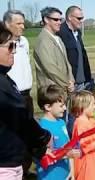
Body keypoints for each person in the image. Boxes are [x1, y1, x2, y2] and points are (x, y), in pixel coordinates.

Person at [0, 21, 51, 179]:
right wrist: (43, 139)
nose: (13, 51)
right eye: (10, 46)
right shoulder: (2, 85)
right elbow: (21, 116)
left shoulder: (5, 79)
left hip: (12, 159)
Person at [3, 10, 35, 177]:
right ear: (7, 24)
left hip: (26, 95)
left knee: (27, 136)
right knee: (15, 136)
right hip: (10, 97)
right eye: (18, 23)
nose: (23, 26)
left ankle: (25, 168)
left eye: (23, 23)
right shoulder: (4, 45)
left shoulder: (25, 42)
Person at [36, 85, 81, 180]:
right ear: (48, 107)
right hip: (50, 176)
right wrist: (66, 155)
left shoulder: (61, 122)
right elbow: (44, 156)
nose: (65, 108)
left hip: (65, 173)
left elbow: (69, 147)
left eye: (64, 104)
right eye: (61, 106)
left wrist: (72, 170)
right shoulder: (42, 128)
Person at [34, 7, 75, 92]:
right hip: (51, 92)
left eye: (61, 20)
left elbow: (67, 63)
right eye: (56, 20)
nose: (59, 22)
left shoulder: (58, 38)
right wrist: (67, 83)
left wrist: (71, 80)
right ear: (46, 20)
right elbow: (50, 68)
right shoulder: (43, 40)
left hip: (64, 89)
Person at [57, 6, 93, 91]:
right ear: (69, 17)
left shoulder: (78, 33)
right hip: (70, 84)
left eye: (82, 18)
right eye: (79, 18)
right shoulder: (60, 33)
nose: (81, 21)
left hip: (82, 82)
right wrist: (67, 80)